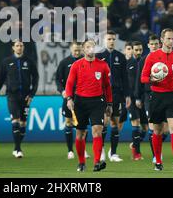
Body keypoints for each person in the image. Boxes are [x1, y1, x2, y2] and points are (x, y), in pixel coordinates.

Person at [140, 28, 173, 171]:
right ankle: (158, 162)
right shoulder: (152, 57)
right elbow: (143, 78)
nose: (171, 41)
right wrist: (152, 79)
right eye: (168, 38)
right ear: (162, 40)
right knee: (158, 131)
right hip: (157, 96)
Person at [65, 39, 112, 172]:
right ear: (84, 49)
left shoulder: (103, 65)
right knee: (81, 133)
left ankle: (97, 162)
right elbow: (69, 83)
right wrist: (69, 98)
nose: (90, 49)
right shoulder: (76, 65)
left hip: (97, 102)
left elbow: (107, 86)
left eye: (93, 47)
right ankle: (81, 163)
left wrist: (109, 103)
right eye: (88, 47)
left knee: (97, 130)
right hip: (80, 102)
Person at [0, 40, 39, 158]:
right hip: (12, 96)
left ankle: (17, 147)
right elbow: (0, 80)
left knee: (23, 125)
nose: (19, 47)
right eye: (17, 46)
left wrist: (32, 94)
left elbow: (36, 79)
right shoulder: (7, 62)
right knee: (15, 122)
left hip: (26, 97)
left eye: (21, 45)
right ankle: (18, 149)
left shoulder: (29, 62)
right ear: (13, 48)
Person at [96, 31, 130, 162]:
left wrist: (127, 95)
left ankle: (113, 153)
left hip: (117, 94)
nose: (111, 41)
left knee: (115, 123)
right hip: (102, 94)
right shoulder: (98, 56)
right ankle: (102, 150)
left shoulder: (120, 57)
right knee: (104, 122)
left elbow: (125, 77)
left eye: (113, 39)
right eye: (109, 39)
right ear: (104, 40)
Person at [133, 34, 160, 162]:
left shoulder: (163, 57)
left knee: (164, 128)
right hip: (149, 95)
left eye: (156, 43)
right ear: (148, 45)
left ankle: (156, 150)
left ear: (159, 44)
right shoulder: (144, 59)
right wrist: (138, 97)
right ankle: (155, 155)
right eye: (152, 44)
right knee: (152, 126)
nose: (154, 46)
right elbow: (139, 78)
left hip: (164, 94)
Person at [55, 41, 83, 159]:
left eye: (78, 50)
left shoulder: (85, 61)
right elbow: (58, 79)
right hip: (69, 97)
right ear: (71, 49)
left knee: (82, 125)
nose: (77, 52)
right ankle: (70, 150)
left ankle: (82, 150)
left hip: (82, 97)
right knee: (68, 122)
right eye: (75, 50)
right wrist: (62, 91)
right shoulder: (64, 62)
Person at [126, 41, 148, 161]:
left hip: (144, 98)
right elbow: (126, 82)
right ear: (132, 50)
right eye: (136, 50)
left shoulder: (145, 62)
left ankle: (134, 143)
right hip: (132, 99)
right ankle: (137, 154)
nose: (138, 52)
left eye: (140, 50)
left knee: (145, 128)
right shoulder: (128, 64)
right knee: (136, 123)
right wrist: (128, 96)